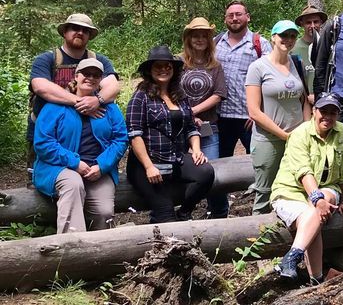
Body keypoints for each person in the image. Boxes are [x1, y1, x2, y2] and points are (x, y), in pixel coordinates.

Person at [33, 57, 128, 233]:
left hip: (97, 171)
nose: (90, 78)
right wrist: (75, 163)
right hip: (60, 168)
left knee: (104, 212)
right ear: (76, 76)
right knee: (73, 183)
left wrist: (102, 166)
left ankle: (101, 248)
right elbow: (43, 143)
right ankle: (71, 244)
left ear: (100, 80)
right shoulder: (55, 107)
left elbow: (120, 139)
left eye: (96, 75)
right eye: (86, 74)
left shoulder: (110, 109)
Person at [126, 46, 214, 223]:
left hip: (175, 159)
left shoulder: (179, 96)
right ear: (149, 70)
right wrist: (149, 167)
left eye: (168, 66)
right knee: (165, 214)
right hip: (146, 165)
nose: (163, 69)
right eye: (158, 66)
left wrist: (196, 150)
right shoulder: (140, 97)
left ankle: (184, 212)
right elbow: (135, 135)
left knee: (206, 173)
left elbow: (191, 127)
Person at [271, 92, 343, 282]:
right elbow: (304, 172)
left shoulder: (342, 132)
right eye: (323, 111)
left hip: (328, 187)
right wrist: (317, 200)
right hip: (290, 192)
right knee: (314, 214)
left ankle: (292, 258)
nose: (327, 117)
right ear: (314, 111)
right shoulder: (300, 134)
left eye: (333, 112)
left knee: (322, 201)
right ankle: (316, 278)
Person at [29, 13, 121, 164]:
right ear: (65, 32)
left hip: (89, 134)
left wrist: (97, 100)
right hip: (46, 132)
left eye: (85, 30)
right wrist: (82, 103)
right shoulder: (47, 59)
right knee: (41, 174)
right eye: (75, 28)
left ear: (89, 36)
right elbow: (40, 87)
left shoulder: (99, 61)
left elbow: (113, 86)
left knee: (90, 171)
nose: (80, 32)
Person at [246, 20, 311, 214]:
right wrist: (284, 135)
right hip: (268, 140)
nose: (288, 39)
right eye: (283, 35)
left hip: (297, 139)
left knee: (296, 189)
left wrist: (306, 130)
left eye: (292, 36)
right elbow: (254, 111)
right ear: (273, 37)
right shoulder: (258, 67)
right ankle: (257, 232)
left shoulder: (297, 63)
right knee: (265, 192)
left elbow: (304, 101)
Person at [179, 17, 229, 218]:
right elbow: (170, 91)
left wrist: (193, 111)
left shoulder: (215, 65)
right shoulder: (178, 63)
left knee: (213, 171)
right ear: (188, 39)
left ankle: (219, 213)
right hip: (179, 127)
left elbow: (219, 93)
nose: (200, 39)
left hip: (208, 127)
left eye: (204, 36)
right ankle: (182, 211)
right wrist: (186, 115)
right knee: (179, 169)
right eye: (195, 36)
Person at [214, 0, 272, 159]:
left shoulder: (260, 44)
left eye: (238, 14)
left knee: (256, 160)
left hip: (249, 117)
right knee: (221, 162)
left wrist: (260, 112)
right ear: (225, 19)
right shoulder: (216, 43)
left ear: (248, 17)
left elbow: (269, 80)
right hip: (221, 116)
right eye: (230, 15)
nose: (234, 18)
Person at [292, 5, 329, 104]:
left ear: (321, 22)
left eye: (316, 22)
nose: (312, 26)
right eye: (308, 22)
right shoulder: (294, 49)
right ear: (302, 24)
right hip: (302, 102)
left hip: (326, 102)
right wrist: (306, 95)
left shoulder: (328, 47)